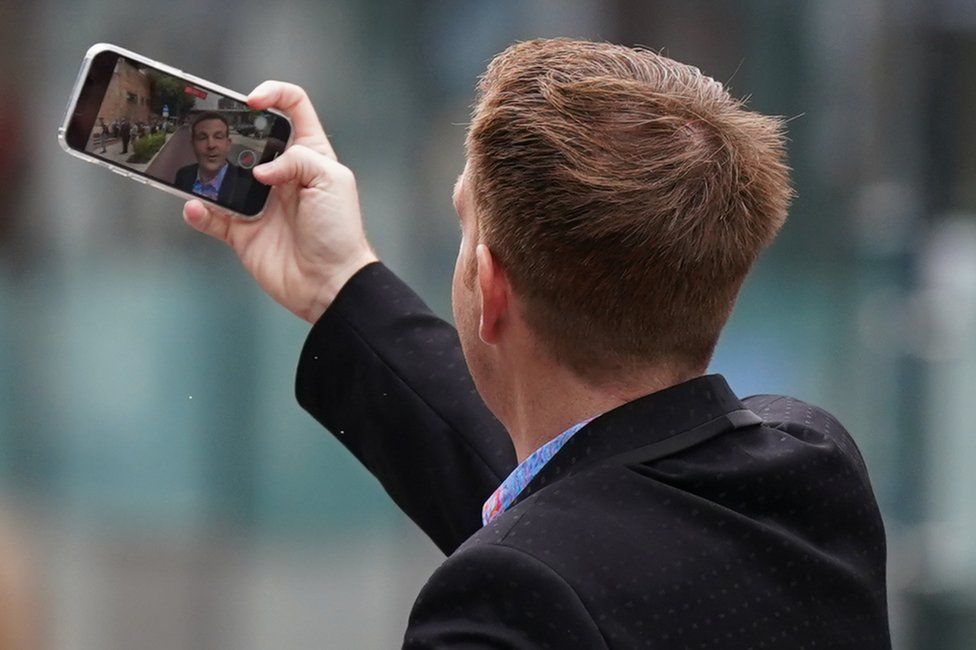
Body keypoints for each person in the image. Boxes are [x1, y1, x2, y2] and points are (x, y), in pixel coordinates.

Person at [183, 39, 891, 648]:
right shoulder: (812, 469)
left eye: (464, 226)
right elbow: (584, 502)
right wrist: (340, 282)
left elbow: (564, 541)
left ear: (489, 289)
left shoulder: (502, 606)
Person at [175, 111, 252, 210]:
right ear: (193, 145)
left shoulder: (248, 183)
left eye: (218, 137)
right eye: (202, 138)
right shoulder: (183, 175)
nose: (211, 145)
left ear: (228, 144)